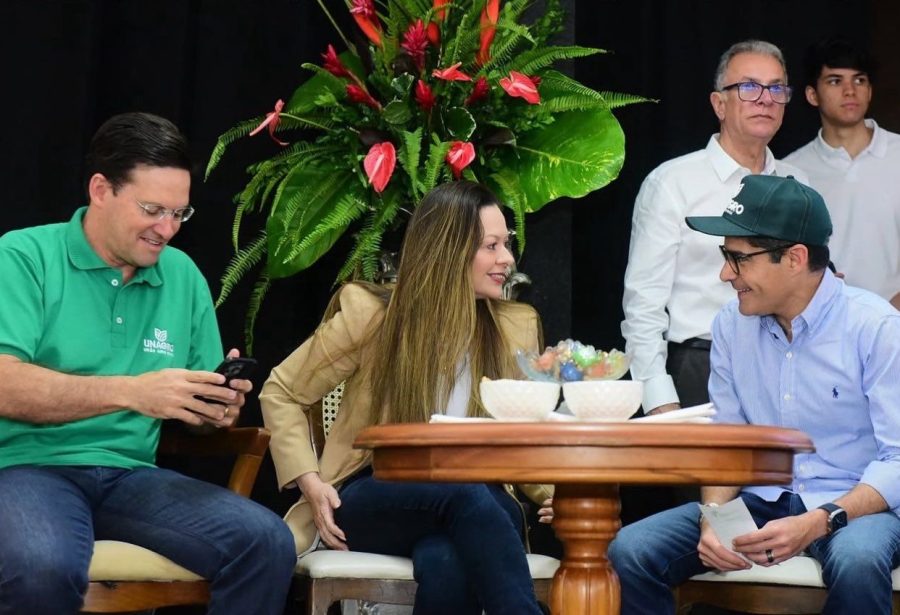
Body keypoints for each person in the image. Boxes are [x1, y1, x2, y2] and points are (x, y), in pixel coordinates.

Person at [0, 112, 296, 614]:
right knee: (42, 566)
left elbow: (195, 414)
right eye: (153, 209)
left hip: (130, 476)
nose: (167, 229)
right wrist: (135, 391)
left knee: (266, 541)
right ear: (100, 190)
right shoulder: (24, 256)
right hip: (26, 467)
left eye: (180, 214)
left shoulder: (181, 276)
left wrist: (214, 410)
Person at [609, 174, 900, 615]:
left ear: (796, 258)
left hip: (854, 508)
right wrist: (713, 518)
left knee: (857, 559)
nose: (725, 274)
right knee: (631, 550)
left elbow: (897, 458)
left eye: (738, 258)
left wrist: (819, 521)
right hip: (761, 502)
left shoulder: (875, 327)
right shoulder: (731, 324)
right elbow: (729, 441)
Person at [260, 181, 552, 615]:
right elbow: (281, 391)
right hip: (378, 491)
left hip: (483, 500)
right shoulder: (371, 317)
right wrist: (311, 482)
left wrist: (552, 493)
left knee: (445, 558)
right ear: (447, 250)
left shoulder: (515, 327)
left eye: (505, 245)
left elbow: (525, 431)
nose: (507, 260)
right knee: (464, 493)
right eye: (492, 246)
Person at [622, 40, 806, 418]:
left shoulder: (799, 184)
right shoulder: (672, 182)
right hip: (698, 368)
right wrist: (659, 398)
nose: (765, 99)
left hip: (791, 369)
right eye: (750, 87)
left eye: (777, 89)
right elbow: (643, 304)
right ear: (719, 104)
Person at [785, 37, 900, 309]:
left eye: (859, 80)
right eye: (835, 81)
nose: (850, 91)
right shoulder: (792, 171)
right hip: (823, 327)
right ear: (812, 95)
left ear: (870, 90)